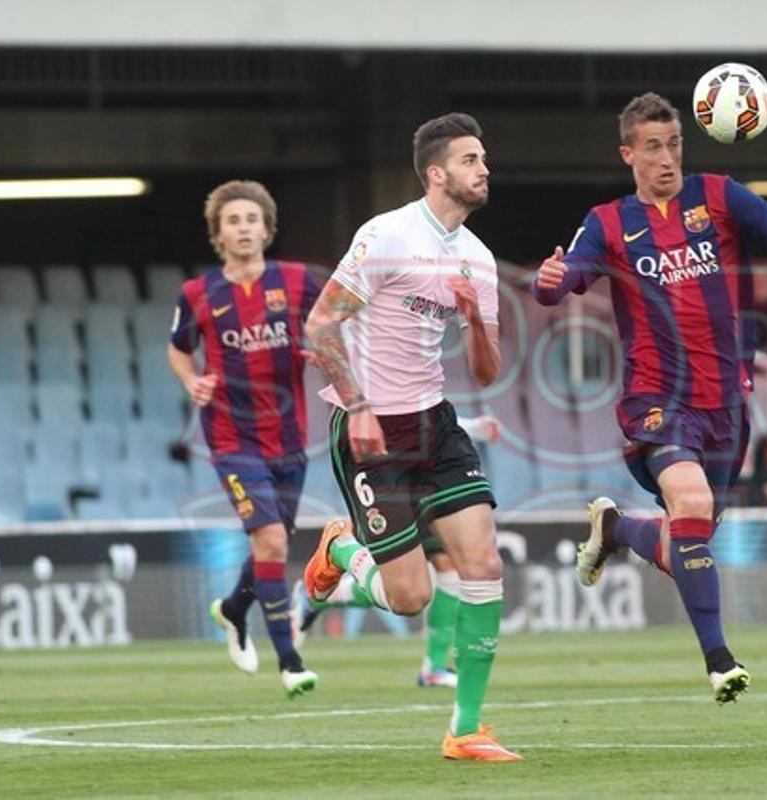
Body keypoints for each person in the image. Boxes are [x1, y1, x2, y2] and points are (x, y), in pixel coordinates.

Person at [530, 93, 767, 703]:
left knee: (690, 535)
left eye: (674, 143)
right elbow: (567, 278)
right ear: (628, 153)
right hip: (656, 396)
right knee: (691, 499)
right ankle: (719, 659)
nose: (666, 158)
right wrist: (550, 283)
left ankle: (619, 527)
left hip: (727, 402)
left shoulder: (718, 195)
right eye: (652, 147)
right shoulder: (607, 221)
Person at [302, 113, 520, 761]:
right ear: (437, 172)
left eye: (484, 159)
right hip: (370, 429)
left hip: (435, 423)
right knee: (411, 596)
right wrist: (360, 404)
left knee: (483, 563)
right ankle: (337, 555)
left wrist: (473, 319)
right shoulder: (387, 236)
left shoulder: (477, 259)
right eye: (471, 159)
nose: (484, 169)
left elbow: (486, 369)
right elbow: (320, 327)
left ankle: (467, 729)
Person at [167, 179, 321, 698]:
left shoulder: (298, 282)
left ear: (266, 227)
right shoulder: (198, 294)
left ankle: (234, 609)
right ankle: (291, 662)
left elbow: (333, 325)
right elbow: (178, 349)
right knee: (272, 540)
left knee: (270, 545)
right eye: (233, 220)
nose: (244, 228)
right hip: (233, 439)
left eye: (251, 219)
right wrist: (193, 381)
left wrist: (323, 348)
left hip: (290, 438)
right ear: (218, 233)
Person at [291, 414, 503, 689]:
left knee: (441, 569)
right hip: (387, 461)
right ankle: (325, 584)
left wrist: (470, 426)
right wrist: (474, 427)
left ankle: (434, 667)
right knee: (406, 587)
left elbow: (419, 398)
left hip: (426, 458)